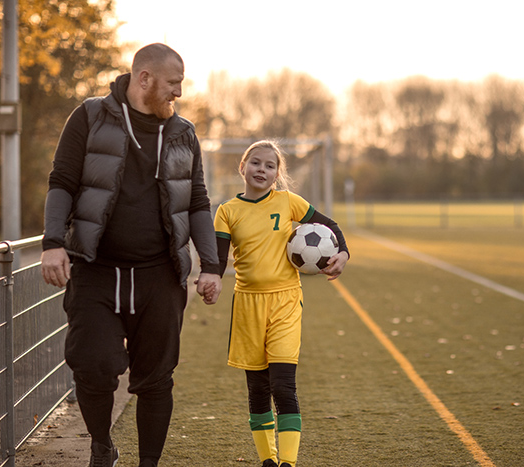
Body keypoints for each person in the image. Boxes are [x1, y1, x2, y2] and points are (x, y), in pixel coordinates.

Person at [40, 43, 222, 467]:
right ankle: (102, 445)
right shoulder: (90, 116)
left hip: (159, 275)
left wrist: (210, 266)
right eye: (173, 83)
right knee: (93, 366)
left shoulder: (184, 133)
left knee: (156, 379)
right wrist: (52, 243)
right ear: (145, 79)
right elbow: (62, 180)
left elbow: (197, 202)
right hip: (95, 270)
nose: (178, 92)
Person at [214, 140, 349, 467]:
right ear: (243, 166)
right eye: (256, 163)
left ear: (277, 174)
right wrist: (211, 279)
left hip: (285, 303)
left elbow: (331, 226)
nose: (262, 169)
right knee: (258, 390)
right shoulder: (227, 211)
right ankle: (268, 461)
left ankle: (288, 462)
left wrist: (342, 253)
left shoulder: (289, 202)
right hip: (247, 306)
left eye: (270, 166)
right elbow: (217, 261)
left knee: (282, 386)